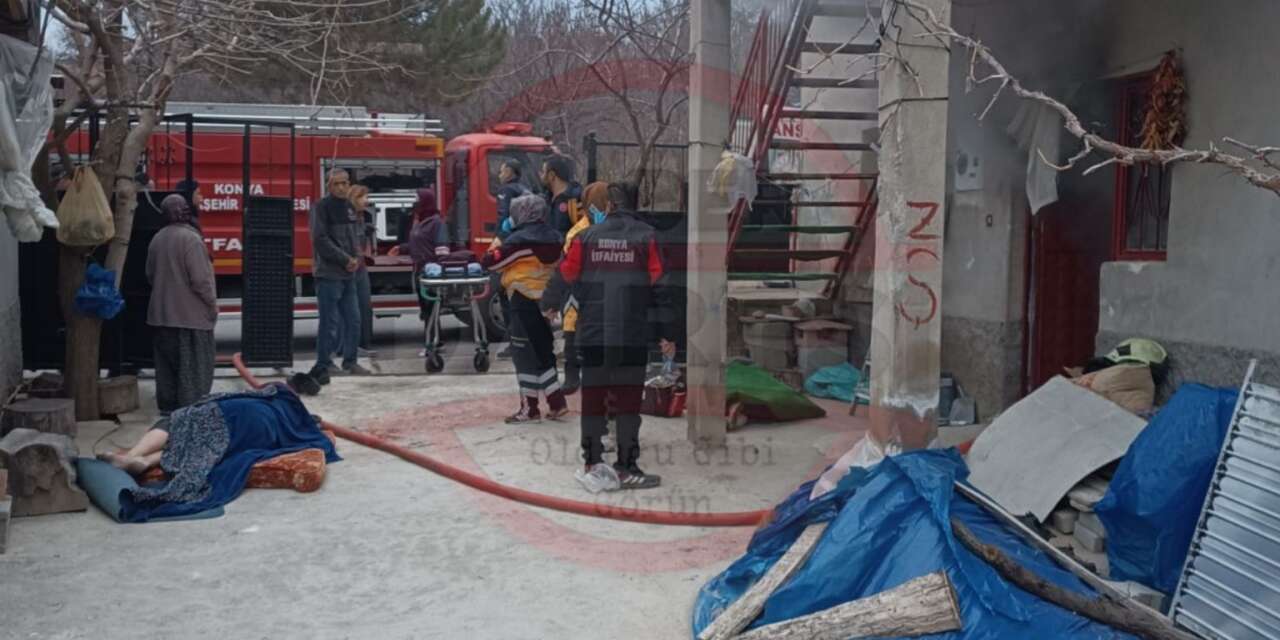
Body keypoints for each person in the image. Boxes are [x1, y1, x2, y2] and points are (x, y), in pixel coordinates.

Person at [559, 182, 675, 492]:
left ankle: (593, 463)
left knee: (593, 400)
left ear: (608, 204)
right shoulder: (647, 236)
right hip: (631, 334)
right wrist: (667, 333)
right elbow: (661, 286)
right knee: (626, 403)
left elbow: (566, 275)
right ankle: (625, 467)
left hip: (593, 333)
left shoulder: (586, 237)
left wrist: (575, 298)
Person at [98, 383, 340, 523]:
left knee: (176, 422)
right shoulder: (296, 424)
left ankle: (136, 455)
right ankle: (145, 460)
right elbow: (313, 430)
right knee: (203, 448)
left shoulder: (267, 395)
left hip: (227, 412)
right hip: (254, 431)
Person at [482, 194, 568, 423]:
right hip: (546, 301)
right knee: (542, 349)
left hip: (522, 299)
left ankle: (530, 407)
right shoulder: (556, 238)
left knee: (522, 353)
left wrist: (502, 236)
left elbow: (490, 262)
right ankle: (556, 401)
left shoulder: (519, 241)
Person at [146, 194, 218, 416]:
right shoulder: (191, 239)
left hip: (160, 316)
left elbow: (150, 275)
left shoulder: (157, 238)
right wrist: (212, 305)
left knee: (167, 370)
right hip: (190, 319)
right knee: (193, 372)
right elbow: (201, 281)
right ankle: (190, 414)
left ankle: (168, 410)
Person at [541, 181, 608, 396]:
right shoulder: (578, 233)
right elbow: (565, 269)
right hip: (580, 292)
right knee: (572, 330)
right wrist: (551, 301)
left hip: (603, 293)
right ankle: (572, 375)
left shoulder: (605, 229)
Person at [308, 168, 371, 383]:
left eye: (345, 183)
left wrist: (356, 258)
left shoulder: (349, 208)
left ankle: (350, 361)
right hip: (329, 274)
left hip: (349, 274)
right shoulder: (320, 207)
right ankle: (324, 363)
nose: (342, 187)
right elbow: (320, 239)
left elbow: (354, 237)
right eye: (337, 184)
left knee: (354, 319)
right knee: (329, 321)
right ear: (329, 186)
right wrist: (346, 259)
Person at [389, 188, 451, 356]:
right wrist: (401, 248)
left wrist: (438, 271)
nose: (414, 202)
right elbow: (417, 244)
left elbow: (442, 249)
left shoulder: (437, 223)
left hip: (430, 272)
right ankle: (436, 342)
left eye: (417, 199)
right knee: (426, 309)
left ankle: (432, 344)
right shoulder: (420, 221)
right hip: (419, 271)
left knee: (431, 309)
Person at [493, 160, 530, 359]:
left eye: (501, 170)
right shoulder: (526, 190)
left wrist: (499, 241)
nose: (499, 175)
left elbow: (503, 218)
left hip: (511, 247)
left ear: (509, 172)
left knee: (505, 294)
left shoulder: (506, 191)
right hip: (527, 246)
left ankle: (516, 342)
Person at [347, 184, 377, 357]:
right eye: (364, 197)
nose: (367, 200)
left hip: (360, 267)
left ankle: (364, 344)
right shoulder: (347, 217)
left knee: (364, 306)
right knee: (353, 308)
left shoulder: (360, 217)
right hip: (351, 268)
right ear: (355, 198)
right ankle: (354, 346)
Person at [540, 153, 583, 235]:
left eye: (543, 172)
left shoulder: (577, 199)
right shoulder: (546, 198)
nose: (541, 176)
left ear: (551, 175)